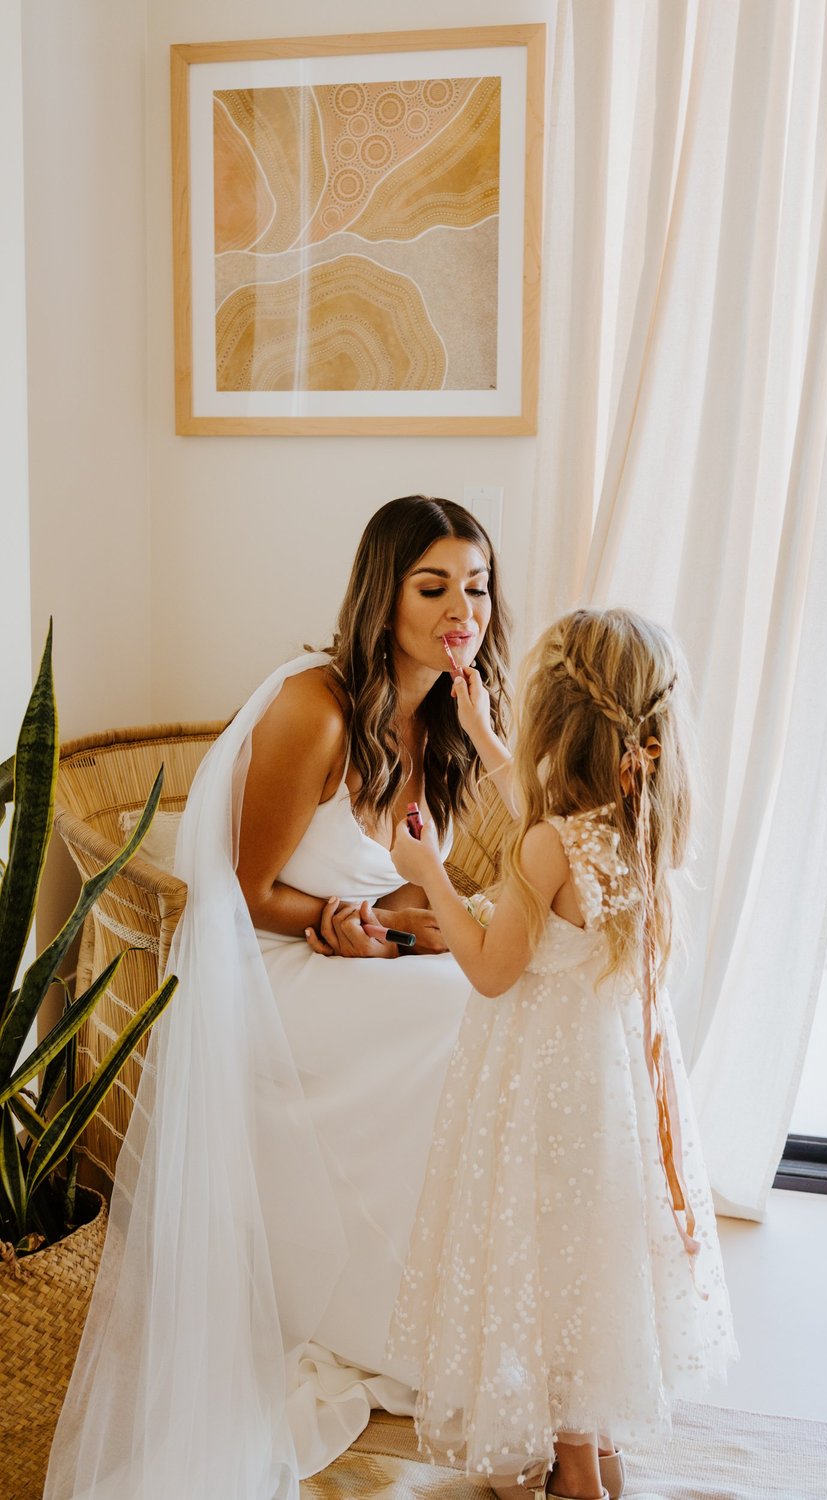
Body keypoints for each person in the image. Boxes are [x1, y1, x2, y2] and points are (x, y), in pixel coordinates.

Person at [44, 497, 516, 1500]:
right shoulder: (319, 707)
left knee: (488, 1008)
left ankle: (475, 1294)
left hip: (347, 952)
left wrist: (396, 920)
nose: (460, 609)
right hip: (266, 972)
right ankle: (396, 1311)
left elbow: (396, 875)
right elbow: (244, 891)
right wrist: (335, 925)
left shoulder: (442, 713)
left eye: (475, 586)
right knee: (456, 1018)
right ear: (381, 597)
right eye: (432, 587)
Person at [386, 607, 738, 1500]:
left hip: (544, 1092)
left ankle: (575, 1467)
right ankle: (595, 1450)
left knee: (540, 1258)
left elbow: (492, 971)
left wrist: (428, 872)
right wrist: (482, 736)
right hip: (610, 1092)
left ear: (561, 722)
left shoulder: (549, 845)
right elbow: (544, 823)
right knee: (591, 1262)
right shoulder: (641, 822)